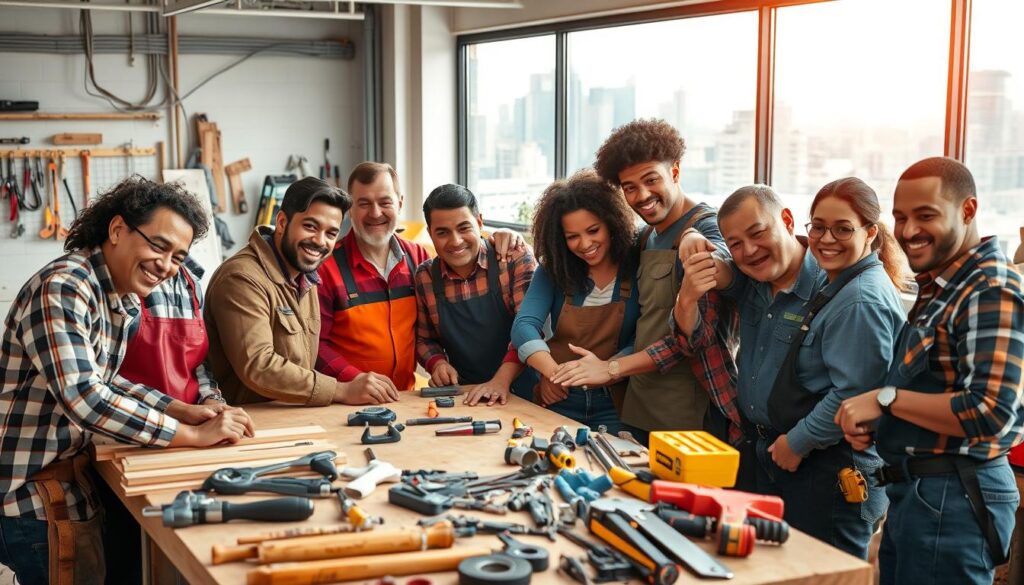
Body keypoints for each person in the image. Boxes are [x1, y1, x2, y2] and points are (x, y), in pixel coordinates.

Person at [0, 176, 254, 585]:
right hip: (30, 495)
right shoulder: (65, 287)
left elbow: (108, 379)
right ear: (117, 230)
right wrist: (192, 437)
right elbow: (87, 398)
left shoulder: (120, 297)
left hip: (69, 483)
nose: (167, 265)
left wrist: (183, 409)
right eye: (158, 245)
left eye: (178, 256)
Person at [680, 179, 905, 558]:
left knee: (824, 575)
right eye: (819, 227)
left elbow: (857, 394)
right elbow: (723, 265)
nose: (748, 250)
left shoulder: (855, 298)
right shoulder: (756, 277)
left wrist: (797, 442)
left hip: (823, 466)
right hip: (768, 454)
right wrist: (689, 236)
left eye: (843, 229)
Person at [836, 157, 1024, 584]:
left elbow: (990, 411)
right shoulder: (941, 284)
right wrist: (886, 418)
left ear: (968, 210)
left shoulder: (989, 289)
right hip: (921, 495)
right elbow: (936, 383)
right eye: (900, 217)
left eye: (926, 216)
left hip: (954, 495)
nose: (907, 231)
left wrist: (886, 400)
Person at [555, 118, 738, 445]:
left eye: (651, 180)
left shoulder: (707, 227)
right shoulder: (645, 236)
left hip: (690, 411)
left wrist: (610, 369)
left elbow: (691, 338)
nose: (642, 195)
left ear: (675, 172)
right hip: (640, 403)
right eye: (629, 187)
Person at [317, 162, 526, 393]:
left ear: (400, 203)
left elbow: (422, 334)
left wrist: (506, 235)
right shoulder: (325, 268)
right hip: (350, 397)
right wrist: (353, 381)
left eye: (385, 202)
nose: (375, 213)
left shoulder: (416, 258)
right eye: (364, 203)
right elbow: (315, 345)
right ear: (350, 209)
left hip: (406, 397)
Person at [205, 176, 393, 405]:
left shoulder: (306, 276)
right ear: (282, 222)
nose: (319, 241)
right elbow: (259, 366)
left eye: (331, 233)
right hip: (249, 421)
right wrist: (341, 390)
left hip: (292, 413)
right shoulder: (242, 278)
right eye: (310, 227)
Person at [510, 169, 640, 433]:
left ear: (612, 222)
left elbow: (645, 337)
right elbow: (523, 327)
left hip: (618, 401)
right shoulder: (553, 270)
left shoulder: (638, 265)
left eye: (593, 230)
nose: (585, 244)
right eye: (572, 237)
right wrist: (554, 374)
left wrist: (606, 368)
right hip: (559, 396)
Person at [414, 184, 537, 406]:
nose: (455, 241)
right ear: (430, 232)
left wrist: (501, 381)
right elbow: (424, 338)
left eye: (464, 228)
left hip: (527, 393)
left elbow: (530, 330)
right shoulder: (425, 277)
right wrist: (437, 363)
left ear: (479, 222)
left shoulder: (512, 259)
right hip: (468, 396)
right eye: (442, 232)